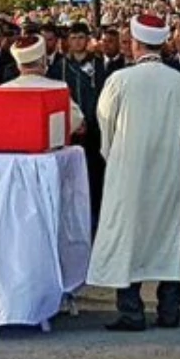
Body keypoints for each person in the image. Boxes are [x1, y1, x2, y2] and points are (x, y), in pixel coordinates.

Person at [89, 14, 180, 332]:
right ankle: (170, 309)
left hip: (128, 169)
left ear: (135, 43)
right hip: (167, 168)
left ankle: (132, 311)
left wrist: (114, 156)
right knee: (166, 236)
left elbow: (104, 123)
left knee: (127, 235)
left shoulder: (120, 80)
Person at [63, 22, 107, 226]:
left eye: (81, 38)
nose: (77, 42)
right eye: (73, 38)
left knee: (94, 179)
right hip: (69, 134)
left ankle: (96, 220)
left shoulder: (99, 66)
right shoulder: (60, 68)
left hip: (94, 133)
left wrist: (90, 121)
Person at [0, 35, 85, 131]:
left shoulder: (2, 89)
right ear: (43, 61)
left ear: (18, 65)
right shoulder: (58, 87)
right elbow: (76, 119)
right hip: (50, 144)